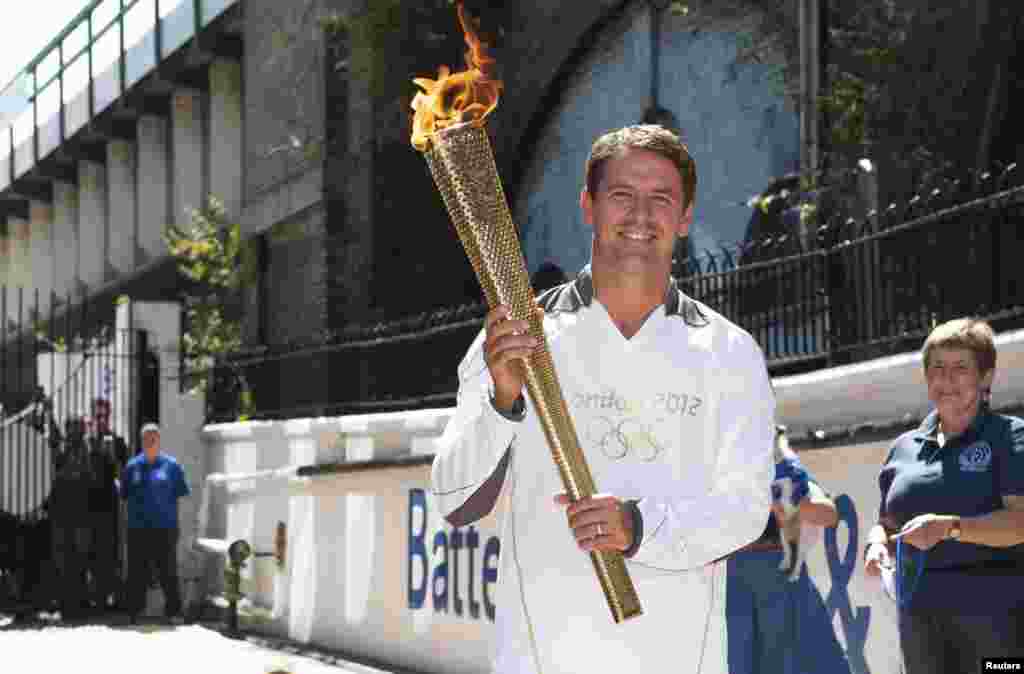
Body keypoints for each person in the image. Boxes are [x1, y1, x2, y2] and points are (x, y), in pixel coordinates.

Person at [431, 124, 775, 674]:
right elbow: (454, 500)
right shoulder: (518, 336)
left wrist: (638, 528)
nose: (641, 215)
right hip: (542, 657)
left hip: (677, 656)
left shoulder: (729, 353)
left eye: (661, 199)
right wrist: (501, 400)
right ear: (588, 206)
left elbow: (746, 510)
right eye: (621, 196)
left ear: (684, 217)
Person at [863, 318, 1024, 673]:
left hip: (999, 625)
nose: (946, 379)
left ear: (985, 378)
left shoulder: (1011, 437)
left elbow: (1020, 522)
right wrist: (876, 545)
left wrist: (951, 528)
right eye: (936, 368)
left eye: (960, 368)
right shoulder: (903, 447)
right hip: (921, 625)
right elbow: (887, 525)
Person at [725, 426, 846, 674]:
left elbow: (829, 513)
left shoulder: (780, 462)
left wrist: (789, 507)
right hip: (731, 586)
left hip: (784, 583)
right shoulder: (709, 461)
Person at [120, 423, 190, 624]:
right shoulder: (132, 466)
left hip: (165, 528)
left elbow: (180, 498)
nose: (150, 442)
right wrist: (125, 527)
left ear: (159, 441)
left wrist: (180, 527)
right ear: (141, 441)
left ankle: (174, 612)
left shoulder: (171, 466)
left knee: (168, 572)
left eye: (154, 439)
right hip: (137, 529)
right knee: (136, 572)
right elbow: (124, 498)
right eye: (146, 439)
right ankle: (134, 612)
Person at [85, 398, 130, 611]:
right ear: (92, 417)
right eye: (97, 416)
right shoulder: (86, 442)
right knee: (91, 552)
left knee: (111, 551)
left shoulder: (118, 442)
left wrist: (113, 459)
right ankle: (95, 597)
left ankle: (111, 596)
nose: (101, 420)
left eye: (104, 416)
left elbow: (124, 476)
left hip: (110, 505)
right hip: (89, 505)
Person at [49, 416, 95, 621]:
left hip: (80, 515)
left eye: (77, 428)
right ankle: (67, 605)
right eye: (72, 428)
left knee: (78, 560)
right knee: (65, 560)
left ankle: (78, 605)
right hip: (64, 514)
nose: (74, 432)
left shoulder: (85, 451)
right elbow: (55, 472)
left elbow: (84, 476)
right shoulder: (63, 450)